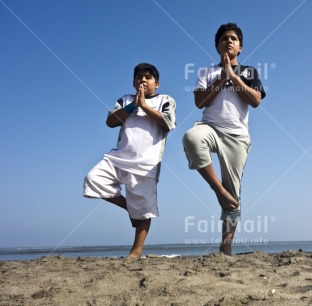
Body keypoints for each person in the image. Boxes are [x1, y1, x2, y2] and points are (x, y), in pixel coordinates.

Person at [182, 23, 266, 255]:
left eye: (234, 39)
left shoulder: (250, 72)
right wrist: (221, 79)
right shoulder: (205, 72)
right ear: (217, 45)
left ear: (240, 47)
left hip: (237, 135)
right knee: (191, 138)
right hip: (209, 126)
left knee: (234, 193)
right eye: (224, 39)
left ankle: (225, 246)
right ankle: (218, 189)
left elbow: (256, 101)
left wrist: (234, 77)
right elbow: (200, 103)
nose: (229, 41)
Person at [83, 63, 176, 261]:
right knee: (93, 180)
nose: (143, 80)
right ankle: (130, 209)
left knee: (144, 207)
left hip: (146, 163)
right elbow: (110, 121)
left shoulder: (166, 100)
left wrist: (144, 106)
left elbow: (168, 122)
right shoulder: (125, 100)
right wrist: (134, 105)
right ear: (133, 82)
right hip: (119, 157)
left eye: (148, 77)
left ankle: (136, 251)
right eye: (139, 77)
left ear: (157, 83)